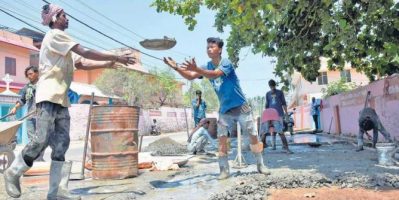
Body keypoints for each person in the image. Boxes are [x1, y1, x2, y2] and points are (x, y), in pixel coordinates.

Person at [4, 4, 135, 199]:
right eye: (64, 15)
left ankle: (58, 192)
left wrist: (109, 63)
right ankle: (13, 172)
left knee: (61, 144)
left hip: (61, 99)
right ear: (55, 19)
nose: (68, 19)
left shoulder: (63, 43)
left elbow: (82, 62)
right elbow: (85, 52)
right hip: (48, 96)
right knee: (41, 139)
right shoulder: (55, 35)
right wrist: (115, 55)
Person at [163, 37, 269, 180]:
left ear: (219, 50)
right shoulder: (206, 65)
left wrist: (197, 69)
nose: (209, 49)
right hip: (225, 109)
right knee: (222, 139)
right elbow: (190, 76)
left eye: (212, 47)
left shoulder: (226, 63)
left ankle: (260, 164)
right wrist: (175, 67)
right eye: (207, 47)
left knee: (253, 136)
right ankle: (224, 170)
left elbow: (215, 74)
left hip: (241, 106)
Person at [9, 66, 46, 161]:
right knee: (32, 139)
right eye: (27, 75)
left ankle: (39, 158)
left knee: (41, 139)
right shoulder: (27, 88)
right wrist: (15, 108)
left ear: (37, 73)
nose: (29, 76)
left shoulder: (43, 85)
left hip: (42, 116)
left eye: (31, 74)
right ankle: (34, 157)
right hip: (30, 116)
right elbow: (22, 100)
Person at [265, 79, 293, 154]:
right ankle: (273, 146)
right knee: (273, 130)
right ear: (269, 86)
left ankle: (285, 147)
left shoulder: (280, 92)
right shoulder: (267, 94)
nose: (272, 88)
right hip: (271, 115)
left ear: (275, 85)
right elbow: (267, 106)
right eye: (271, 86)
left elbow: (283, 103)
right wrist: (267, 115)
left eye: (273, 86)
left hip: (279, 114)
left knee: (280, 131)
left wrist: (286, 114)